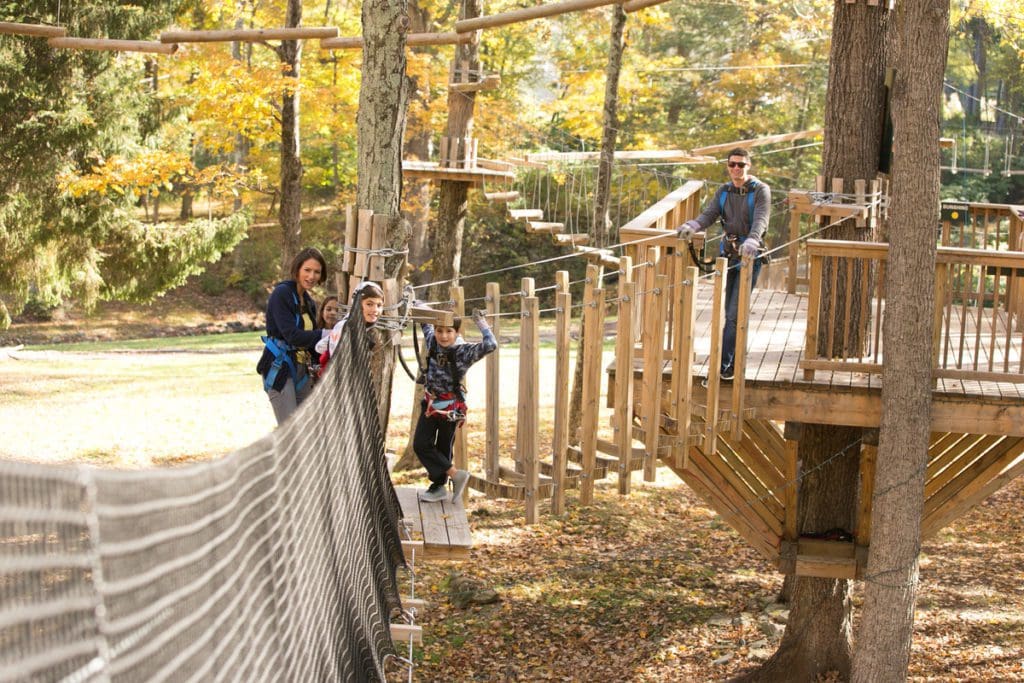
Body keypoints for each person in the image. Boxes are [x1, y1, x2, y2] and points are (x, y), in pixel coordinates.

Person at [678, 147, 771, 381]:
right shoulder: (724, 191)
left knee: (733, 313)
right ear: (728, 166)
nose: (736, 169)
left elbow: (761, 218)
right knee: (728, 311)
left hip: (750, 256)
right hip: (728, 255)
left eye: (741, 164)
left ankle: (726, 365)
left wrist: (753, 239)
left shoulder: (760, 191)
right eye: (732, 165)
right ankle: (727, 360)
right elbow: (709, 214)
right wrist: (693, 226)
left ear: (749, 166)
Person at [414, 309, 497, 503]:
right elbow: (424, 321)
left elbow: (491, 344)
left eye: (449, 331)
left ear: (457, 332)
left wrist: (481, 322)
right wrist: (416, 302)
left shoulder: (464, 352)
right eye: (440, 330)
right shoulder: (432, 340)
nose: (444, 336)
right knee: (420, 444)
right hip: (430, 404)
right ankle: (454, 473)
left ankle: (438, 487)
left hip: (450, 408)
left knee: (444, 448)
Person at [257, 247, 328, 425]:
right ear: (297, 269)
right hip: (280, 369)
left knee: (306, 430)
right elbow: (292, 336)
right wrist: (326, 334)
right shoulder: (282, 294)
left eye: (317, 272)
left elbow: (312, 342)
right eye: (307, 270)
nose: (312, 276)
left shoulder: (309, 302)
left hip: (302, 370)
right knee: (290, 433)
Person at [315, 281, 385, 369]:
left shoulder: (359, 326)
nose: (375, 310)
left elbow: (320, 347)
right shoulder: (346, 327)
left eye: (379, 305)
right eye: (369, 304)